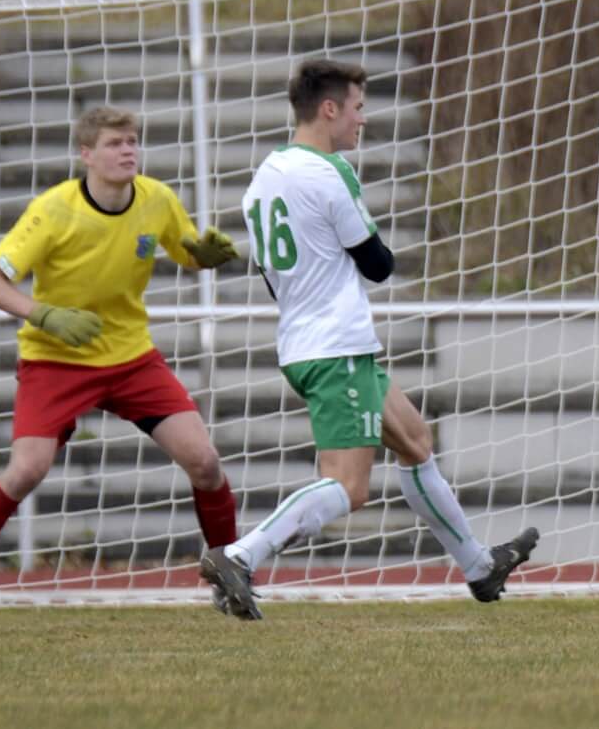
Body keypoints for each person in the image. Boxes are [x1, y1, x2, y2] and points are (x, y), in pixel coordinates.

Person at [200, 59, 535, 619]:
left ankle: (479, 567)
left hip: (309, 340)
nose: (362, 121)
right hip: (336, 347)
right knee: (348, 487)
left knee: (415, 442)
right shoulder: (330, 172)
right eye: (357, 108)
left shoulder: (261, 180)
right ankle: (239, 554)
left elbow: (271, 275)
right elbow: (377, 265)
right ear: (328, 109)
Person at [0, 106, 243, 620]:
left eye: (132, 141)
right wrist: (45, 316)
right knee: (25, 471)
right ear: (86, 155)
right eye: (114, 143)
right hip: (57, 362)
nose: (128, 150)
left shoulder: (157, 199)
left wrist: (203, 255)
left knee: (205, 461)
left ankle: (230, 575)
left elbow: (186, 249)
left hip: (131, 358)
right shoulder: (54, 210)